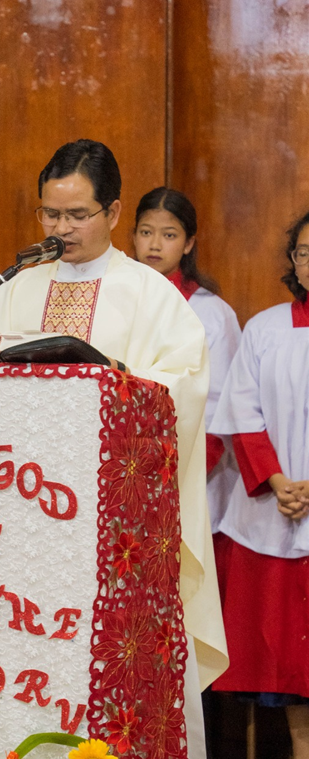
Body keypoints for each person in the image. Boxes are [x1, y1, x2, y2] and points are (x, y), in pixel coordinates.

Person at [0, 139, 229, 759]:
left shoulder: (151, 296)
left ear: (115, 211)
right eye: (49, 214)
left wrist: (116, 381)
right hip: (19, 523)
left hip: (113, 529)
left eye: (77, 215)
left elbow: (183, 387)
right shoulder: (17, 287)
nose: (61, 229)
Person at [210, 210, 309, 759]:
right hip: (276, 509)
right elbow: (241, 412)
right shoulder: (265, 327)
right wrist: (278, 481)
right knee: (288, 653)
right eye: (303, 251)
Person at [133, 188, 242, 542]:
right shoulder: (115, 300)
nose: (154, 245)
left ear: (189, 243)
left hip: (189, 468)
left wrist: (178, 472)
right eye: (146, 232)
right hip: (123, 462)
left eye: (169, 235)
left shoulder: (211, 313)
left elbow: (221, 405)